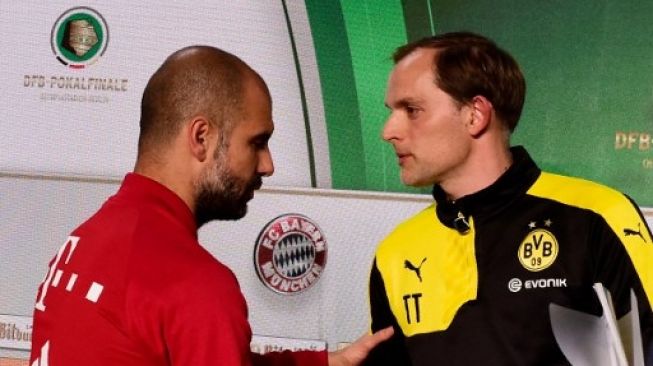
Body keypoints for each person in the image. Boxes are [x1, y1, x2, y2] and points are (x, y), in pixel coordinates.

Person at [29, 45, 392, 366]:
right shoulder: (194, 285)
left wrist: (325, 362)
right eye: (257, 142)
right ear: (202, 138)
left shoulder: (86, 240)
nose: (267, 165)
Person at [364, 31, 653, 365]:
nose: (388, 131)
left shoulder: (596, 216)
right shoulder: (396, 251)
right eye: (392, 111)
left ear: (475, 114)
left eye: (411, 110)